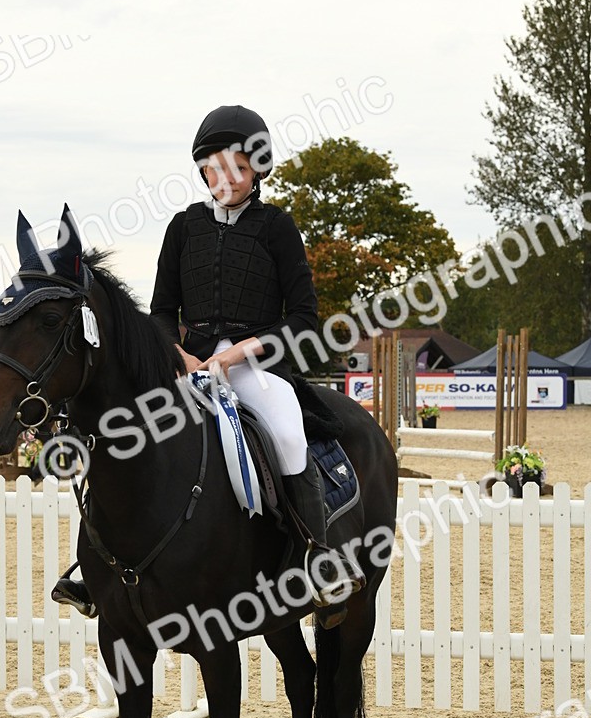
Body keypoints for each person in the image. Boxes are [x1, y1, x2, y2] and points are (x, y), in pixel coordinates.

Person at [52, 104, 365, 620]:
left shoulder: (277, 227)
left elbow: (304, 319)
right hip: (187, 366)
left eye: (239, 168)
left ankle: (318, 557)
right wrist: (180, 354)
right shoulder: (183, 228)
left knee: (287, 433)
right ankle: (98, 565)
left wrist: (239, 353)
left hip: (256, 367)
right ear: (202, 171)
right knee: (125, 437)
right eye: (215, 169)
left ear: (257, 170)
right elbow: (159, 312)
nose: (227, 179)